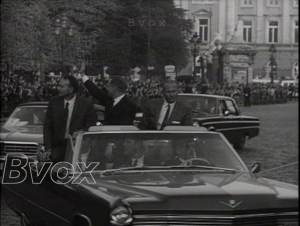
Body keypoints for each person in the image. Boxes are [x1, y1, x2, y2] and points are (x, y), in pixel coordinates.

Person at [41, 76, 97, 164]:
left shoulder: (85, 105)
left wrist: (81, 132)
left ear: (71, 89)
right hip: (57, 147)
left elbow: (91, 126)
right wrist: (48, 149)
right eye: (58, 86)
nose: (58, 88)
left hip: (76, 148)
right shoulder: (54, 102)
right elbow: (48, 126)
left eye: (61, 86)